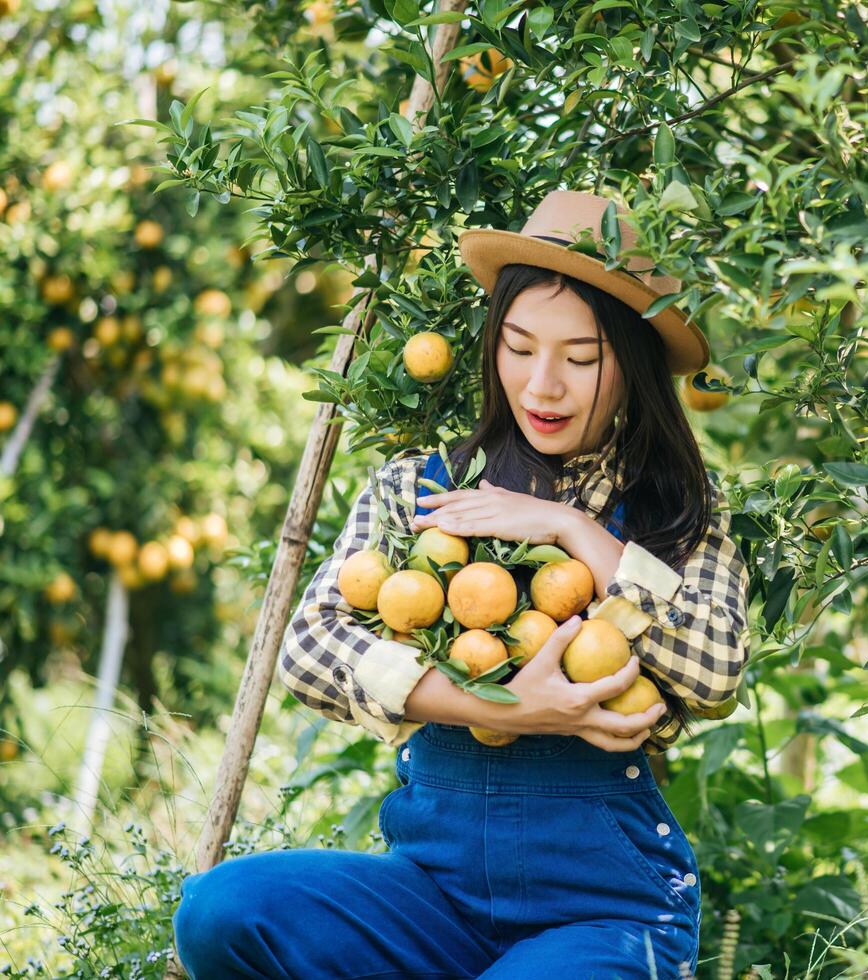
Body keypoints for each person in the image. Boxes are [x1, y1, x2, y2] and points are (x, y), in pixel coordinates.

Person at [172, 189, 750, 978]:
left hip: (603, 911)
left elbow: (715, 667)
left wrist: (574, 533)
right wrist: (502, 706)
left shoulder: (672, 511)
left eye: (580, 359)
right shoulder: (422, 492)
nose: (543, 385)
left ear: (633, 364)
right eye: (518, 347)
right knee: (222, 912)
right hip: (430, 899)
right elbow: (309, 651)